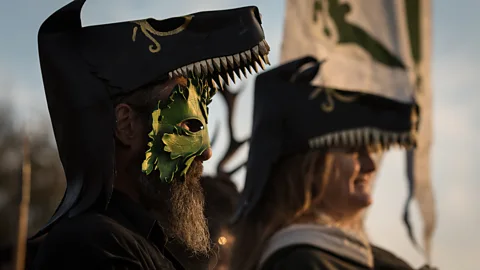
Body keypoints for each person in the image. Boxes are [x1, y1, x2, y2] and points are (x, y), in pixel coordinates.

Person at [30, 1, 270, 269]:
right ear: (127, 125)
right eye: (190, 126)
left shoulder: (138, 240)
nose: (207, 151)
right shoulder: (90, 245)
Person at [230, 56, 431, 270]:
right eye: (354, 150)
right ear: (309, 169)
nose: (370, 166)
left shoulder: (346, 254)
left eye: (371, 151)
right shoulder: (302, 263)